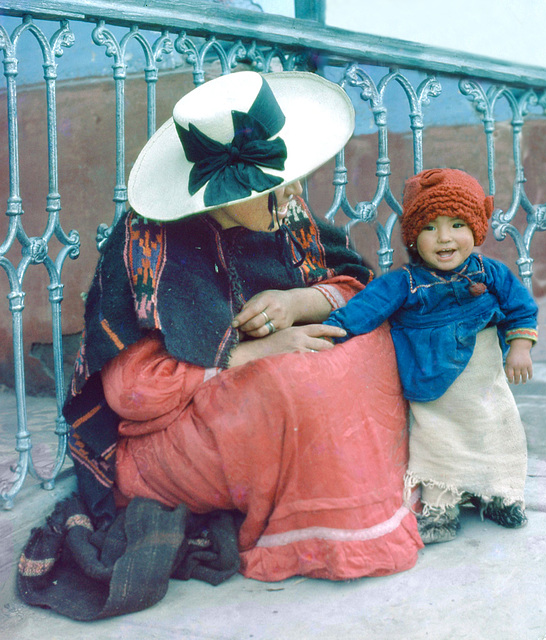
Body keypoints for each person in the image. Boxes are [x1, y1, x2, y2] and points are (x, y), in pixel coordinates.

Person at [47, 70, 421, 599]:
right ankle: (325, 533)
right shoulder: (146, 246)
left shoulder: (285, 213)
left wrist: (299, 302)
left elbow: (355, 284)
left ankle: (363, 508)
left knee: (374, 344)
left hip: (238, 416)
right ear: (217, 196)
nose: (291, 192)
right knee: (294, 386)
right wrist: (254, 351)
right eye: (271, 185)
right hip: (161, 443)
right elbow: (132, 393)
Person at [324, 168, 538, 544]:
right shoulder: (404, 283)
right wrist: (332, 331)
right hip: (432, 387)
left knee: (494, 431)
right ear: (412, 237)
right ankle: (442, 506)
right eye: (428, 228)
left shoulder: (491, 274)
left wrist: (519, 347)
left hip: (482, 381)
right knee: (436, 441)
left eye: (457, 224)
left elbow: (521, 308)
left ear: (475, 229)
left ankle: (499, 493)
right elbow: (365, 309)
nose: (444, 238)